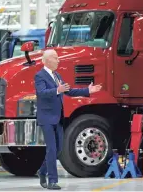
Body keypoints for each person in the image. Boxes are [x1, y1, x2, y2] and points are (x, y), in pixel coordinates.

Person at [34, 49, 102, 190]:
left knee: (58, 149)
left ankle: (42, 171)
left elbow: (68, 91)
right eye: (55, 58)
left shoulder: (57, 75)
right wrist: (57, 90)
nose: (58, 60)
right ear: (46, 60)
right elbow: (42, 93)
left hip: (58, 118)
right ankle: (52, 181)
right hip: (46, 118)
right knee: (51, 149)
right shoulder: (39, 76)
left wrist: (87, 91)